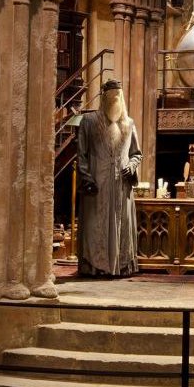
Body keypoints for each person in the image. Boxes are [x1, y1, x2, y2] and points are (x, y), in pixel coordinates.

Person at [74, 79, 141, 278]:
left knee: (122, 224)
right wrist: (86, 178)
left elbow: (136, 153)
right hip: (97, 185)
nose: (115, 100)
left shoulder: (129, 124)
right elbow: (82, 153)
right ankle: (96, 266)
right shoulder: (89, 121)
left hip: (121, 186)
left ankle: (121, 265)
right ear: (103, 98)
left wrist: (131, 165)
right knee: (96, 226)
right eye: (111, 96)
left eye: (118, 96)